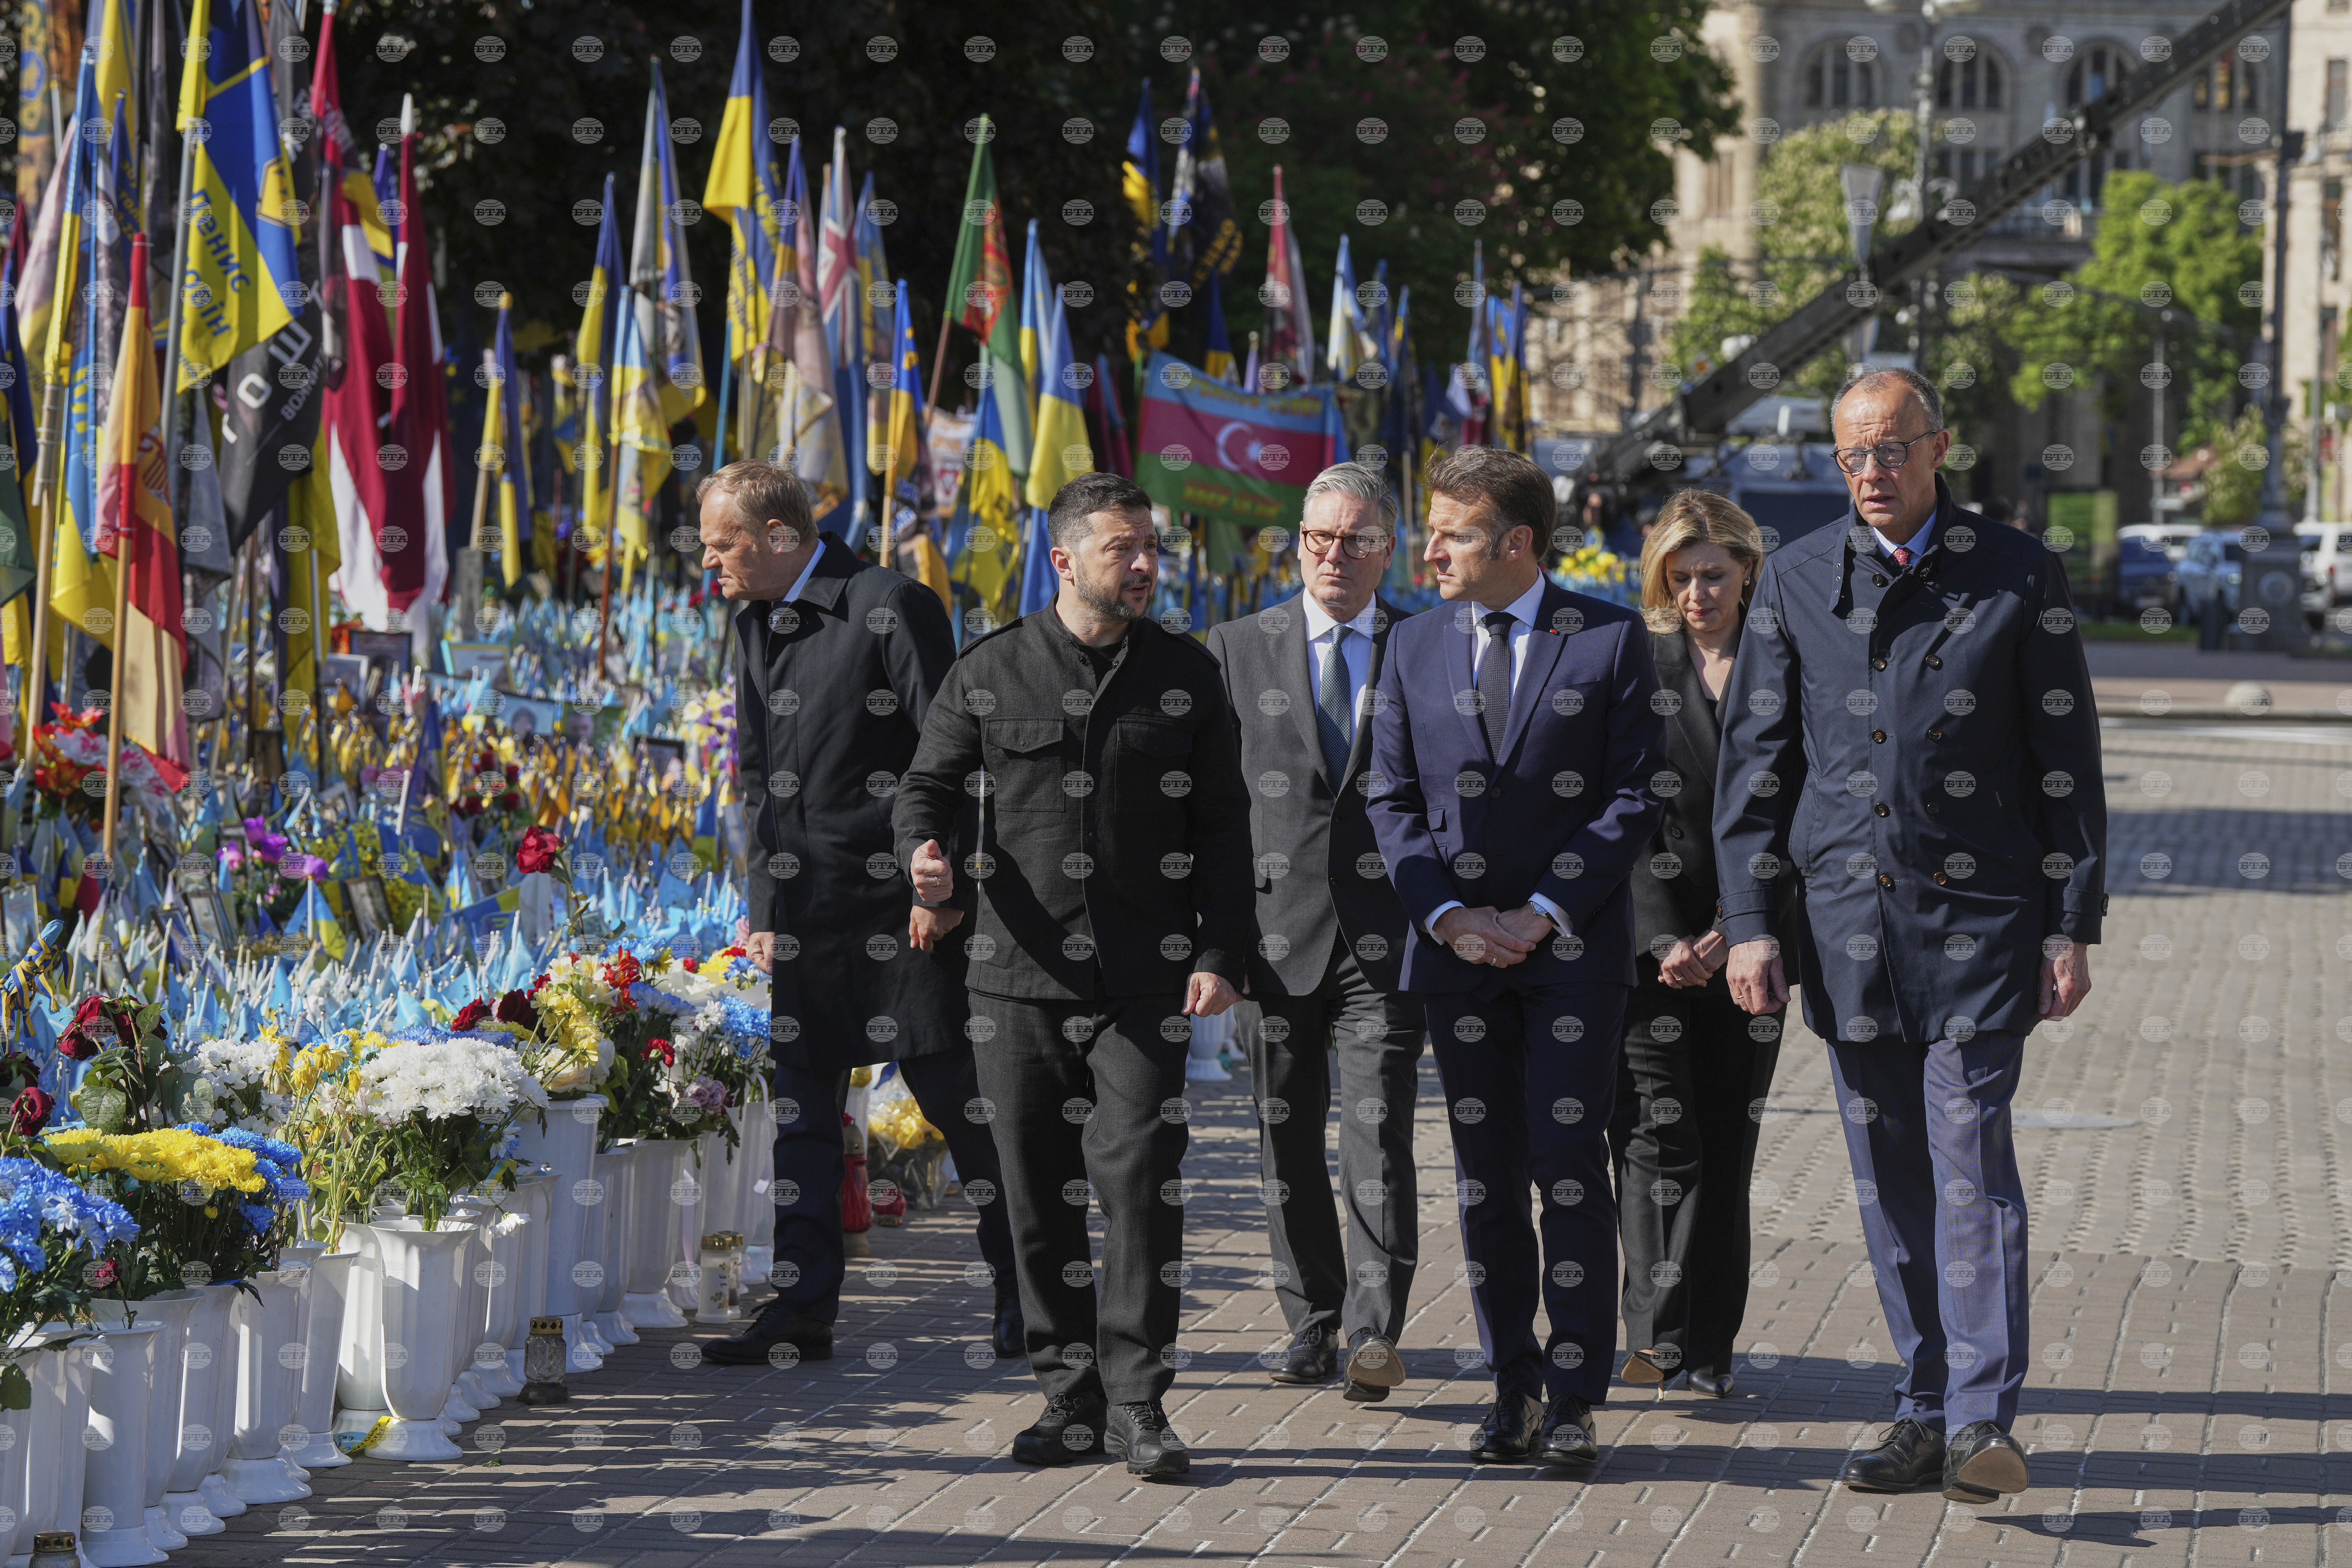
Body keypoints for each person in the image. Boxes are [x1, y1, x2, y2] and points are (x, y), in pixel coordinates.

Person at [1714, 368, 2105, 1505]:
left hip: (1983, 926)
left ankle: (1984, 1420)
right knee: (1890, 1179)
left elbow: (2065, 766)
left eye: (1891, 449)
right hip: (1848, 929)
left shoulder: (2019, 576)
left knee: (1972, 1163)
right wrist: (1749, 924)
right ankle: (1925, 1404)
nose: (1872, 473)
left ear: (1940, 449)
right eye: (1852, 457)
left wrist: (2069, 920)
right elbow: (1756, 774)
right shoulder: (1792, 581)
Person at [893, 471, 1252, 1481]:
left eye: (1151, 550)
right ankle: (1069, 1396)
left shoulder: (1187, 674)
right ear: (1062, 560)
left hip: (1146, 981)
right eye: (1122, 549)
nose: (1142, 567)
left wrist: (1224, 952)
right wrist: (922, 856)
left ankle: (1141, 1403)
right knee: (1034, 1196)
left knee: (1139, 1185)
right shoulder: (989, 671)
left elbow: (1225, 823)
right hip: (1014, 979)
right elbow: (926, 787)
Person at [1365, 446, 1664, 1468]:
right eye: (1432, 528)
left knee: (1568, 1168)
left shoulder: (1612, 642)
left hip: (1571, 956)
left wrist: (1541, 911)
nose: (1430, 547)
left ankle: (1578, 1391)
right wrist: (1448, 915)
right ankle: (1513, 1386)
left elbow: (1636, 796)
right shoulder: (1410, 646)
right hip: (1455, 957)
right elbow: (1390, 800)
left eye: (1452, 532)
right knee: (1487, 1179)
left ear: (1518, 544)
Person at [696, 460, 1019, 1368]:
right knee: (801, 1116)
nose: (710, 560)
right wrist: (764, 904)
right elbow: (758, 778)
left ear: (779, 538)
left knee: (961, 1105)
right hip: (808, 911)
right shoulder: (751, 619)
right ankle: (802, 1309)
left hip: (905, 907)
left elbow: (959, 755)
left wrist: (948, 891)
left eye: (723, 544)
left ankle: (1022, 1292)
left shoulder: (890, 605)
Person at [1202, 461, 1425, 1405]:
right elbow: (1211, 810)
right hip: (1273, 936)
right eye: (1320, 539)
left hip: (1394, 936)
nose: (1337, 556)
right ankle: (1312, 1320)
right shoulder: (1233, 649)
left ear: (1388, 549)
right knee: (1283, 1137)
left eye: (1359, 540)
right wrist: (1216, 944)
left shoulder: (1430, 646)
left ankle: (1375, 1333)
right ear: (1298, 543)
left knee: (1377, 1135)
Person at [1611, 491, 1786, 1398]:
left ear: (1749, 570)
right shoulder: (1637, 664)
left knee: (1725, 1146)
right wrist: (1662, 935)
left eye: (1713, 575)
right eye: (1678, 579)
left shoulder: (1789, 663)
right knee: (1651, 1139)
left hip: (1754, 950)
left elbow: (1806, 812)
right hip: (1650, 953)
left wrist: (1738, 930)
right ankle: (1654, 1336)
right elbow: (1614, 811)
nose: (1696, 595)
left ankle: (1709, 1348)